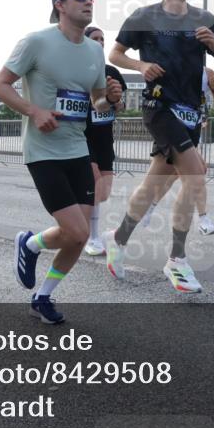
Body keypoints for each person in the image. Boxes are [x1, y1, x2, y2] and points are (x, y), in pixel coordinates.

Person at [0, 0, 122, 324]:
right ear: (60, 5)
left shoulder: (95, 51)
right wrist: (34, 110)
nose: (88, 0)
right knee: (78, 231)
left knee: (77, 238)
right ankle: (30, 245)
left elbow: (96, 102)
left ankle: (42, 295)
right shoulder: (36, 42)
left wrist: (110, 97)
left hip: (77, 147)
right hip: (44, 151)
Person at [103, 0, 214, 293]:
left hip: (191, 112)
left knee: (153, 185)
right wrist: (141, 64)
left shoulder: (206, 20)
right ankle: (177, 260)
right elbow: (114, 54)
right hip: (159, 105)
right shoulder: (145, 16)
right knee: (195, 171)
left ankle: (118, 239)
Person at [141, 67, 214, 235]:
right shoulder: (171, 63)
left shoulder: (207, 73)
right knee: (193, 172)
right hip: (171, 127)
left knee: (179, 175)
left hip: (191, 129)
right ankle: (201, 220)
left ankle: (148, 209)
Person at [81, 26, 127, 256]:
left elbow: (121, 104)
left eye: (102, 39)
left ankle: (78, 222)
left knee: (104, 192)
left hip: (104, 137)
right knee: (94, 184)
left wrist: (116, 103)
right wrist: (105, 100)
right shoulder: (78, 70)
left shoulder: (112, 72)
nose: (100, 42)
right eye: (95, 38)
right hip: (82, 136)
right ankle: (92, 236)